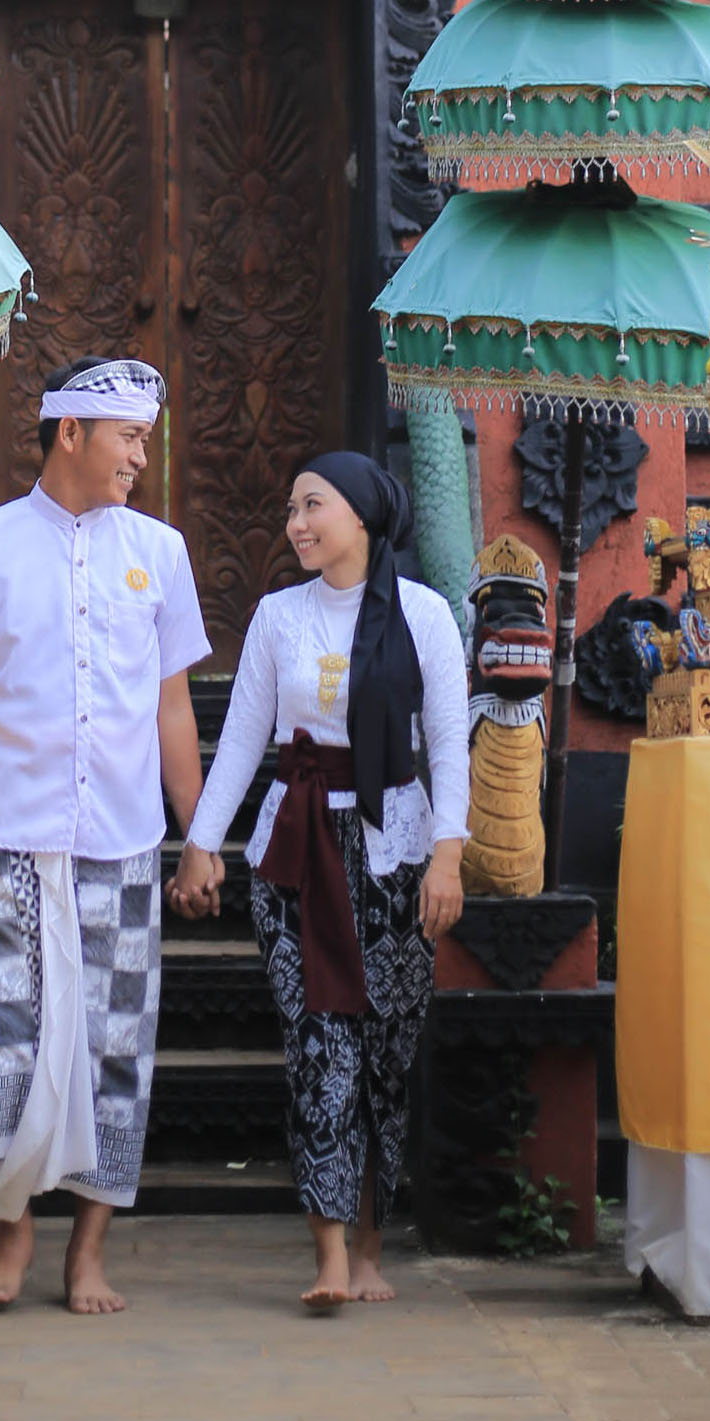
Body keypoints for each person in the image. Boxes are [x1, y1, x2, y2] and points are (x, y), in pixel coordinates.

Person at [0, 356, 221, 1314]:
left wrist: (201, 833)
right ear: (70, 433)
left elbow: (173, 709)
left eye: (145, 441)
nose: (140, 458)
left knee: (113, 1051)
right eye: (128, 438)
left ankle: (88, 1255)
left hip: (120, 846)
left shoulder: (160, 553)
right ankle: (13, 1233)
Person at [174, 453, 467, 1309]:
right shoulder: (277, 616)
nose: (296, 524)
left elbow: (448, 741)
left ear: (362, 517)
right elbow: (242, 740)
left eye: (313, 507)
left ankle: (371, 1247)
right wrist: (202, 843)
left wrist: (448, 857)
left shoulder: (424, 615)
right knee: (319, 1052)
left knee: (384, 1057)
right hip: (298, 854)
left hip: (395, 854)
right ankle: (331, 1257)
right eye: (292, 510)